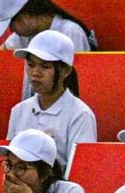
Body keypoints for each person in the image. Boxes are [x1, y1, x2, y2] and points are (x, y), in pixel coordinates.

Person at [6, 31, 94, 169]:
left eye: (45, 66)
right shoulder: (19, 111)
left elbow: (81, 169)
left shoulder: (80, 115)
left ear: (65, 71)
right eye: (30, 65)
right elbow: (9, 162)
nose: (35, 73)